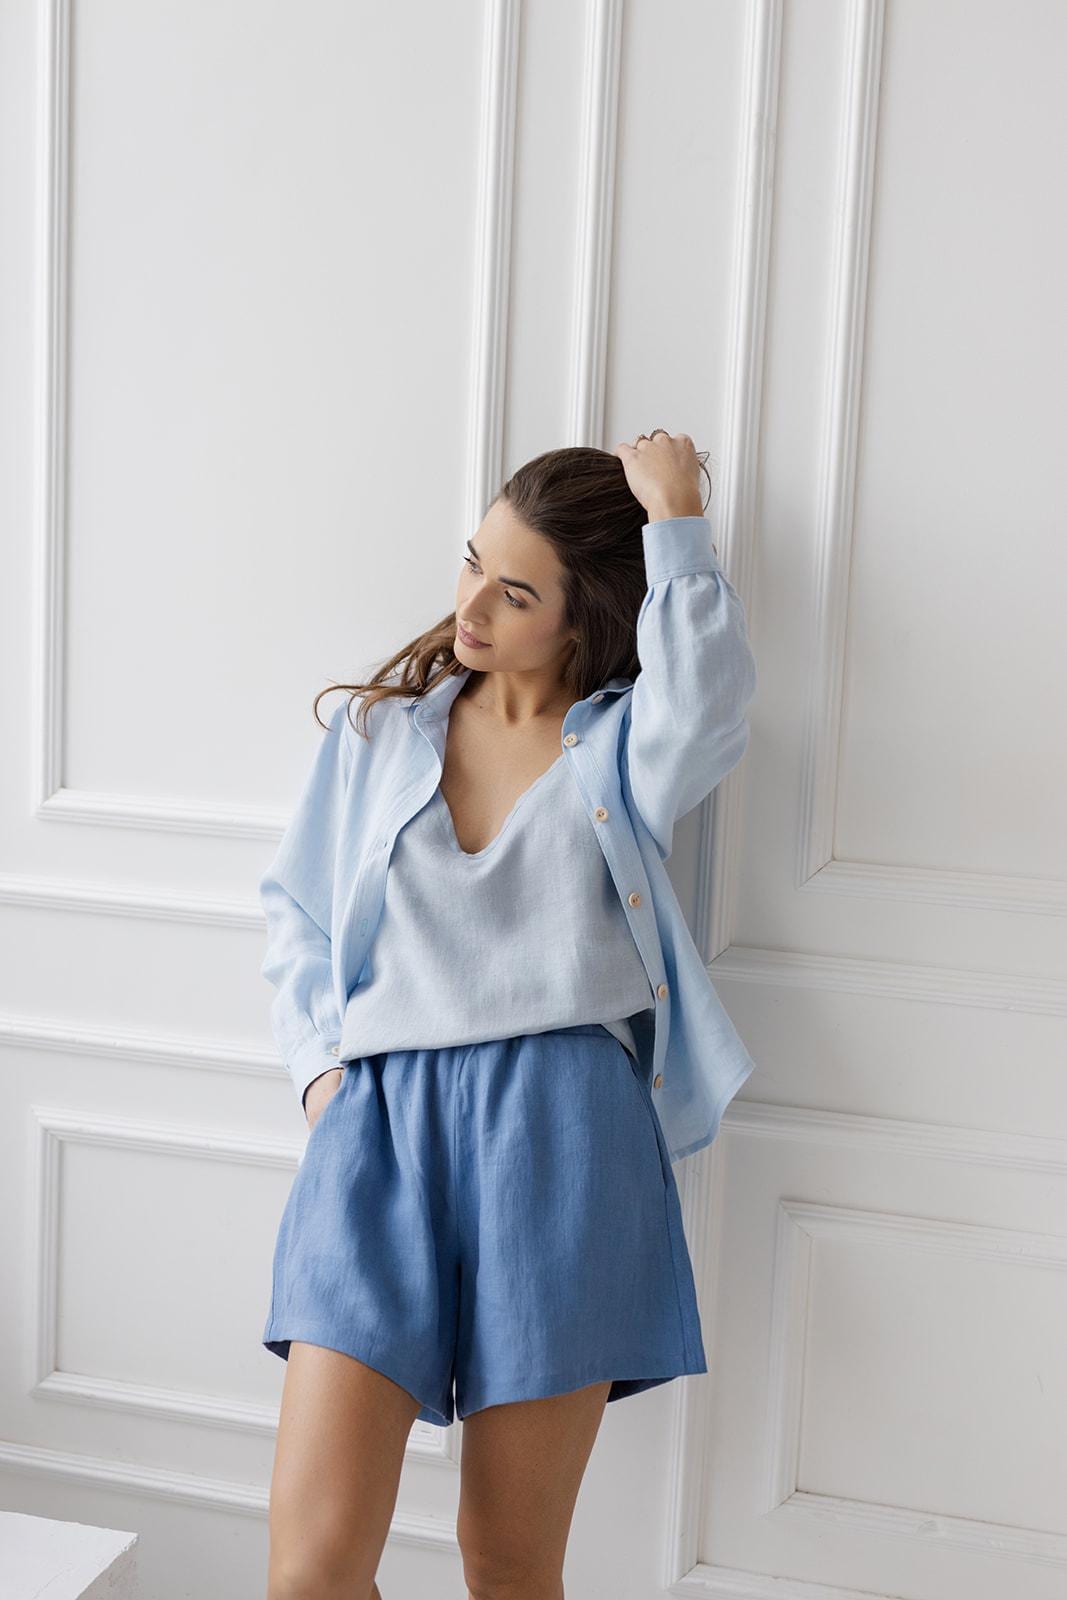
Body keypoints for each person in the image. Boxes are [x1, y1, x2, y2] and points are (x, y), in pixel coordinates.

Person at [258, 431, 758, 1599]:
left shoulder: (622, 750)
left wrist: (676, 520)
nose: (471, 605)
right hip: (377, 1130)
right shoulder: (380, 735)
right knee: (312, 1569)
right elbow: (297, 914)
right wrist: (323, 1076)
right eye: (472, 563)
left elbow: (707, 705)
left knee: (508, 1561)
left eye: (516, 592)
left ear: (582, 618)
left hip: (562, 1134)